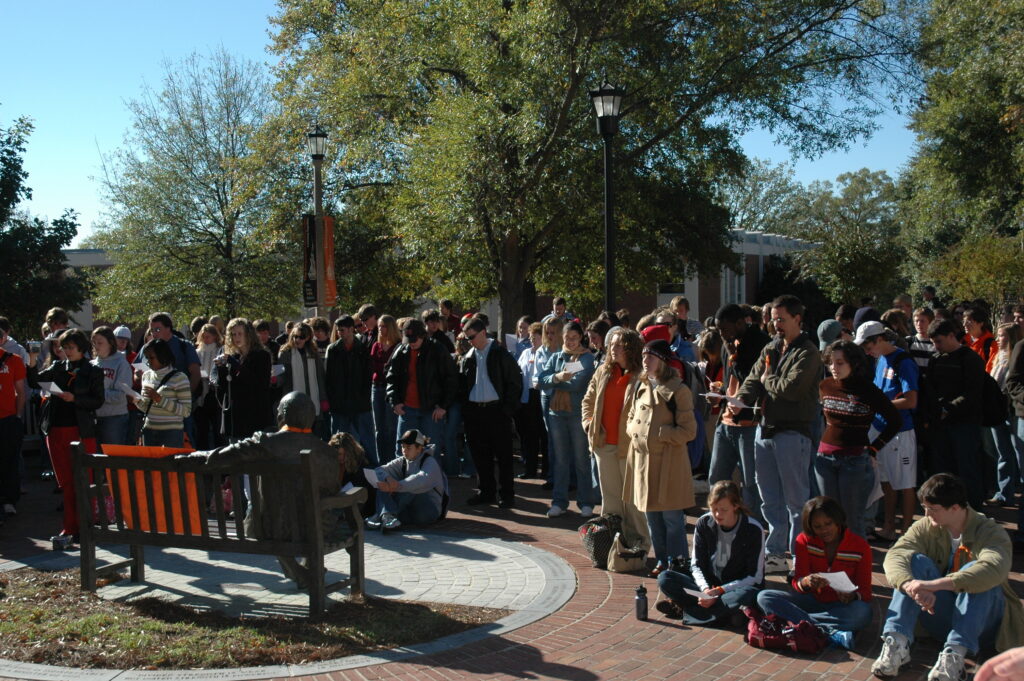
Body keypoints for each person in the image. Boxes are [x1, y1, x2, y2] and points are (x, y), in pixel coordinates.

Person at [872, 474, 1024, 681]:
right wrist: (910, 585)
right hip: (942, 615)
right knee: (914, 561)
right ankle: (897, 644)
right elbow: (896, 554)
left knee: (978, 572)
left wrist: (934, 585)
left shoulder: (990, 531)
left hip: (985, 623)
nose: (926, 514)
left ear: (955, 507)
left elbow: (994, 567)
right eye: (925, 507)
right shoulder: (926, 526)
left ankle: (954, 656)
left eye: (933, 509)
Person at [187, 392, 342, 589]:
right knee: (312, 512)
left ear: (283, 415)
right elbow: (332, 491)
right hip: (317, 528)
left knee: (268, 513)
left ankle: (301, 573)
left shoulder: (265, 442)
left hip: (270, 528)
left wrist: (184, 457)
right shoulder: (327, 452)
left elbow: (218, 457)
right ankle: (308, 570)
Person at [734, 295, 823, 573]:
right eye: (773, 319)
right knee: (769, 497)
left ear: (798, 319)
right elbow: (753, 377)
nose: (776, 325)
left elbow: (792, 388)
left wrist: (766, 381)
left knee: (797, 501)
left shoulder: (808, 352)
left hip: (793, 432)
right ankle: (775, 552)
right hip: (766, 430)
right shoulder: (772, 347)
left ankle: (799, 555)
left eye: (781, 319)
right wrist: (740, 399)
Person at [757, 496, 873, 650]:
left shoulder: (860, 546)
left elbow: (865, 592)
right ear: (810, 526)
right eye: (817, 526)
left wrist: (852, 596)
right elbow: (797, 583)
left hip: (840, 607)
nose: (824, 530)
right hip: (811, 601)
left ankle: (804, 624)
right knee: (765, 597)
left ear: (838, 521)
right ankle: (831, 633)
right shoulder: (803, 540)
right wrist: (806, 582)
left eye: (828, 524)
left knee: (863, 613)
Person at [624, 339, 698, 576]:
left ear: (663, 361)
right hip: (644, 463)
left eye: (651, 357)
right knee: (652, 517)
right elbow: (631, 417)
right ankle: (663, 561)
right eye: (644, 356)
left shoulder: (679, 390)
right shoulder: (641, 385)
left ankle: (678, 563)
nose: (645, 361)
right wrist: (634, 432)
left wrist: (664, 434)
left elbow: (690, 431)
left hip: (669, 465)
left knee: (672, 519)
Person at [816, 340, 901, 538]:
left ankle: (856, 564)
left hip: (854, 461)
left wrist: (874, 448)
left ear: (853, 364)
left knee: (852, 520)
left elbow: (894, 421)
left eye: (840, 363)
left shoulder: (868, 390)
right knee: (828, 516)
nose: (834, 368)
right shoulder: (825, 385)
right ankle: (832, 566)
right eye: (831, 362)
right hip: (824, 459)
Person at [27, 329, 104, 541]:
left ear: (81, 348)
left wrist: (74, 399)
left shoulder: (92, 370)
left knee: (83, 481)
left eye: (70, 347)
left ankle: (86, 527)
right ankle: (70, 527)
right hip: (56, 430)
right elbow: (34, 381)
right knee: (66, 483)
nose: (66, 351)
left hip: (80, 430)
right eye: (64, 347)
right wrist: (32, 360)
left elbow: (97, 401)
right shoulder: (58, 367)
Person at [656, 480, 764, 626]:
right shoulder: (704, 523)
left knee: (748, 595)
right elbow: (696, 564)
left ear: (736, 506)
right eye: (714, 509)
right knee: (665, 578)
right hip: (708, 587)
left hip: (733, 589)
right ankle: (722, 615)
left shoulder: (753, 529)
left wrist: (719, 591)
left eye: (724, 510)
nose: (718, 514)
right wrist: (705, 590)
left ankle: (687, 610)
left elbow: (755, 577)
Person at [581, 327, 650, 549]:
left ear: (631, 348)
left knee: (632, 501)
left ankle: (638, 544)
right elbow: (587, 401)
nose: (613, 348)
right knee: (610, 500)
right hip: (604, 445)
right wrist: (589, 423)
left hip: (629, 447)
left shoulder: (641, 375)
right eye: (611, 344)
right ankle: (610, 544)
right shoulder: (602, 371)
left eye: (619, 345)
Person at [855, 320, 920, 539]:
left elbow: (911, 400)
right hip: (880, 428)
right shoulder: (880, 360)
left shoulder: (903, 361)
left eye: (868, 346)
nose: (866, 351)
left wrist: (878, 405)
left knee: (905, 483)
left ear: (880, 339)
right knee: (886, 481)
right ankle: (890, 527)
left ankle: (907, 533)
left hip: (901, 431)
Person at [708, 304, 770, 520]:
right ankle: (720, 519)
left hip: (749, 424)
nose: (722, 334)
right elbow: (732, 381)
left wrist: (734, 356)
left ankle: (753, 525)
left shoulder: (761, 343)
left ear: (740, 323)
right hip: (726, 422)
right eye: (718, 330)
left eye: (724, 329)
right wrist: (721, 391)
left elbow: (751, 381)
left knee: (751, 482)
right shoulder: (727, 343)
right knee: (716, 476)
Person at [458, 317, 523, 508]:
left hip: (497, 410)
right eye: (467, 338)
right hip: (475, 411)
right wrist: (466, 409)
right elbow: (462, 385)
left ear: (483, 333)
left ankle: (507, 494)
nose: (469, 341)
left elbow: (514, 382)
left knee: (503, 455)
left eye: (472, 337)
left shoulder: (500, 353)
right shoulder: (468, 356)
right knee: (480, 455)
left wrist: (507, 410)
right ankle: (486, 491)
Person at [926, 320, 986, 510]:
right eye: (934, 342)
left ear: (952, 336)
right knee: (943, 472)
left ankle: (974, 514)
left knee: (967, 470)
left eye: (940, 341)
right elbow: (930, 389)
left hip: (965, 424)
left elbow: (973, 393)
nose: (937, 346)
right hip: (941, 425)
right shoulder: (936, 359)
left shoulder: (971, 359)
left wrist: (948, 409)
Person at [538, 321, 597, 518]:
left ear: (581, 337)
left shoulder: (586, 358)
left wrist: (555, 380)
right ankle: (559, 502)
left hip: (578, 414)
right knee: (560, 461)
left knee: (581, 460)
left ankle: (586, 502)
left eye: (574, 337)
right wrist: (558, 377)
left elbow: (577, 383)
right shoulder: (556, 357)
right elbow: (540, 380)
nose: (570, 341)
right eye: (567, 338)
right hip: (556, 414)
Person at [385, 318, 458, 458]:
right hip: (407, 410)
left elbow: (451, 379)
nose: (411, 343)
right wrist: (395, 401)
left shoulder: (438, 349)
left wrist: (443, 406)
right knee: (402, 452)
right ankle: (403, 479)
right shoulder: (401, 350)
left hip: (431, 410)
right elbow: (391, 376)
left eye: (414, 339)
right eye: (409, 339)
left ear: (423, 336)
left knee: (431, 452)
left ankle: (430, 480)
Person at [137, 313, 202, 445]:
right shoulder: (147, 347)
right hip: (152, 418)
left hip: (176, 415)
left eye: (158, 329)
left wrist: (186, 397)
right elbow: (137, 370)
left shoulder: (184, 345)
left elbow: (195, 373)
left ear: (169, 328)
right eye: (151, 330)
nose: (154, 333)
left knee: (185, 444)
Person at [366, 429, 447, 530]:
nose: (404, 450)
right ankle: (387, 517)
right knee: (383, 484)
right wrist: (388, 479)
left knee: (411, 486)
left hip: (429, 513)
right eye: (403, 447)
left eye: (408, 447)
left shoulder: (430, 462)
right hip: (408, 512)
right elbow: (378, 470)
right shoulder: (403, 460)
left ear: (419, 448)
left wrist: (395, 487)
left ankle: (381, 515)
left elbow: (420, 481)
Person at [324, 315, 376, 462]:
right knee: (338, 441)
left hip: (360, 404)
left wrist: (364, 399)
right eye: (338, 330)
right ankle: (338, 469)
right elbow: (329, 379)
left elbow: (368, 377)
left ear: (351, 329)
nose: (340, 333)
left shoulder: (363, 349)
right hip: (340, 405)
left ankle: (372, 468)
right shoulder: (333, 350)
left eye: (343, 330)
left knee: (367, 441)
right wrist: (333, 401)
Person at [212, 318, 272, 443]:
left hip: (254, 417)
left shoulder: (262, 356)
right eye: (233, 334)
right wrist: (221, 368)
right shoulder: (234, 356)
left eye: (240, 334)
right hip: (235, 419)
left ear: (248, 335)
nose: (236, 337)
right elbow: (225, 389)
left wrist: (235, 364)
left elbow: (258, 384)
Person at [986, 323, 1023, 508]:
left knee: (1017, 452)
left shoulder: (1015, 356)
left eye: (1003, 336)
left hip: (1013, 411)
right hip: (997, 410)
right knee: (1002, 452)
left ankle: (1013, 490)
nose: (998, 340)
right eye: (998, 335)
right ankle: (1004, 492)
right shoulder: (997, 357)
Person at [135, 338, 192, 447]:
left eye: (152, 358)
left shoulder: (179, 378)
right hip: (149, 431)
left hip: (171, 433)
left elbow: (186, 411)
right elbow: (147, 408)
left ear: (163, 356)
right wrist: (136, 400)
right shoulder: (146, 376)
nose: (148, 362)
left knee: (169, 464)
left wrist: (160, 399)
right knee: (150, 464)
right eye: (147, 358)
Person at [277, 322, 328, 438]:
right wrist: (276, 380)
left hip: (313, 402)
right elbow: (283, 376)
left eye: (301, 337)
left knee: (315, 437)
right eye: (295, 336)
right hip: (294, 403)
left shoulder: (313, 353)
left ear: (308, 337)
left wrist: (323, 399)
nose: (297, 340)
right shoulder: (286, 353)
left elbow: (320, 377)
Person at [0, 319, 27, 518]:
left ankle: (9, 500)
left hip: (8, 418)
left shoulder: (13, 360)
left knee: (10, 460)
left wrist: (17, 416)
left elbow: (20, 391)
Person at [515, 322, 548, 480]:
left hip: (542, 395)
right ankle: (530, 469)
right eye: (531, 337)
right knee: (529, 435)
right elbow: (518, 372)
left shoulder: (547, 353)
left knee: (544, 435)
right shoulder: (526, 353)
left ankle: (547, 471)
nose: (533, 340)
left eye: (536, 337)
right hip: (527, 397)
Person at [90, 326, 132, 446]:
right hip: (94, 417)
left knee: (113, 459)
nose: (96, 346)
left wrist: (99, 394)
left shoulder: (121, 364)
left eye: (100, 343)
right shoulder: (91, 364)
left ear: (110, 343)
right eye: (94, 343)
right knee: (96, 459)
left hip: (115, 418)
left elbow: (121, 395)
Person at [370, 315, 401, 461]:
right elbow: (373, 367)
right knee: (379, 428)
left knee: (391, 427)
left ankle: (392, 460)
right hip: (377, 387)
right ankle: (380, 460)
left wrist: (383, 368)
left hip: (392, 389)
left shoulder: (398, 345)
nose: (381, 329)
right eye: (379, 326)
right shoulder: (376, 345)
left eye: (384, 326)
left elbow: (395, 369)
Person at [330, 430, 375, 517]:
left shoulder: (360, 464)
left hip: (358, 504)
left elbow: (360, 489)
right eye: (339, 454)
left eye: (344, 454)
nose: (341, 458)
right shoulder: (331, 463)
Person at [193, 323, 223, 450]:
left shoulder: (219, 351)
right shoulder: (197, 352)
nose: (206, 339)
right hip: (201, 395)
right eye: (203, 336)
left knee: (217, 431)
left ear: (215, 337)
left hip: (215, 395)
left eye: (208, 336)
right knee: (202, 430)